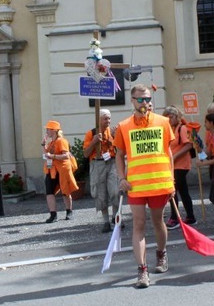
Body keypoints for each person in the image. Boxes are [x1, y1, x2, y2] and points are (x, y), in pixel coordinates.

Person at [114, 84, 175, 288]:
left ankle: (161, 254)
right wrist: (122, 178)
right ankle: (142, 271)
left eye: (148, 99)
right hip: (136, 186)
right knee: (138, 225)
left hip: (159, 183)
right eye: (141, 99)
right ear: (132, 100)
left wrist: (172, 181)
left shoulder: (163, 122)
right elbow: (119, 155)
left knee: (158, 222)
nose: (146, 103)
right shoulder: (124, 126)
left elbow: (168, 152)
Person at [83, 109, 118, 233]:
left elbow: (120, 149)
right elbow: (86, 154)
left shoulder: (113, 132)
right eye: (105, 118)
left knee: (115, 191)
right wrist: (94, 142)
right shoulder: (91, 133)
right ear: (98, 120)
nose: (108, 121)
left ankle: (115, 218)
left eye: (109, 118)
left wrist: (114, 138)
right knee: (100, 194)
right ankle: (105, 222)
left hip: (112, 162)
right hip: (97, 164)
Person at [162, 106, 196, 229]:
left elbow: (188, 146)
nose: (168, 119)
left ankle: (175, 218)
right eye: (166, 117)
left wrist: (175, 156)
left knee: (173, 190)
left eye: (170, 117)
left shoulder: (182, 128)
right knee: (183, 190)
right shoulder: (169, 129)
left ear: (176, 117)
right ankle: (190, 217)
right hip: (172, 164)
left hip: (181, 164)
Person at [42, 120, 78, 223]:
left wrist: (52, 156)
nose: (46, 131)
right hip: (51, 170)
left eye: (48, 129)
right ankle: (53, 215)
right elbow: (47, 154)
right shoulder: (52, 142)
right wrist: (43, 146)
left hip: (62, 170)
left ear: (54, 130)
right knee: (49, 191)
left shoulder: (61, 141)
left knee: (65, 191)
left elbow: (66, 155)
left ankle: (69, 211)